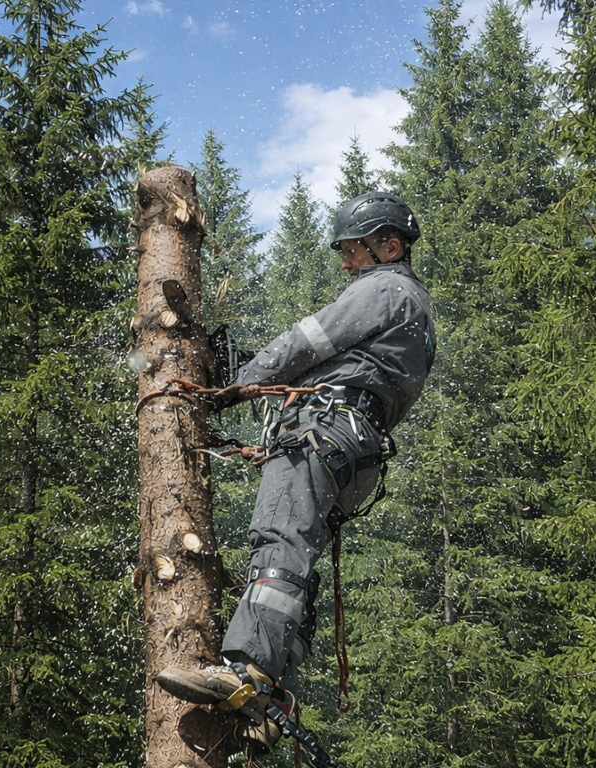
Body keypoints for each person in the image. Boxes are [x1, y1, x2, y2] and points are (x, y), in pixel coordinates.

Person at [155, 191, 436, 753]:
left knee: (279, 543)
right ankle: (271, 697)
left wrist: (231, 387)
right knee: (296, 565)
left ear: (389, 245)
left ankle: (248, 669)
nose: (345, 262)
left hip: (325, 434)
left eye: (353, 249)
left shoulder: (386, 290)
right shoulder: (415, 312)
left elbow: (307, 341)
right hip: (354, 450)